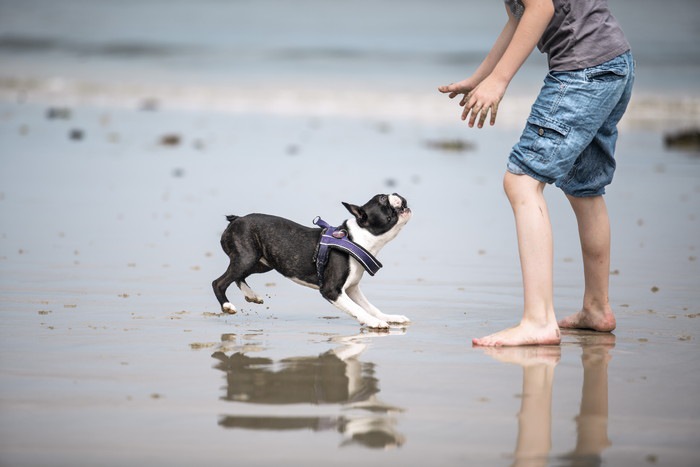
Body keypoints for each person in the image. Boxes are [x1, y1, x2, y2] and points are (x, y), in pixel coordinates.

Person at [438, 0, 634, 346]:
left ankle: (538, 321)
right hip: (612, 64)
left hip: (581, 74)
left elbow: (540, 9)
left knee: (521, 182)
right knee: (585, 187)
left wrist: (499, 82)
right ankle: (597, 308)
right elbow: (519, 18)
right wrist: (480, 78)